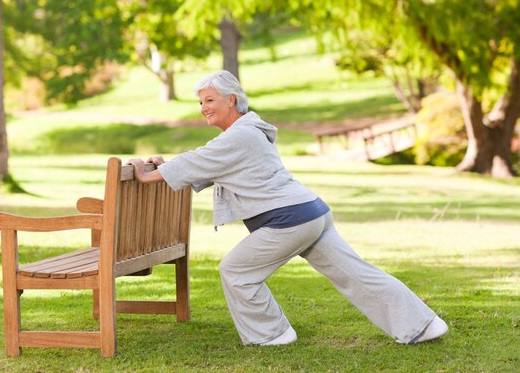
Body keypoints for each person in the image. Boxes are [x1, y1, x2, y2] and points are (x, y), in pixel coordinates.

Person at [127, 70, 448, 346]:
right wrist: (163, 167)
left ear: (232, 100)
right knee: (357, 273)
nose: (203, 108)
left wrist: (145, 175)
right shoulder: (245, 133)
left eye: (209, 100)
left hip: (290, 220)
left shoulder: (239, 136)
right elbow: (205, 165)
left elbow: (198, 161)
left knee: (236, 271)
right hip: (312, 214)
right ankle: (423, 325)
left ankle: (270, 335)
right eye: (200, 102)